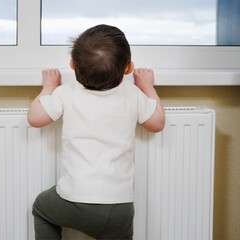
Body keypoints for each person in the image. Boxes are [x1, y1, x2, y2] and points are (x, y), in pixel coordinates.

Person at [27, 24, 165, 240]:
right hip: (120, 207)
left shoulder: (67, 92)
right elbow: (157, 123)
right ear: (128, 68)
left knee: (41, 209)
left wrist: (48, 87)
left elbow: (35, 119)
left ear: (72, 65)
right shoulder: (132, 93)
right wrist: (148, 87)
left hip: (74, 200)